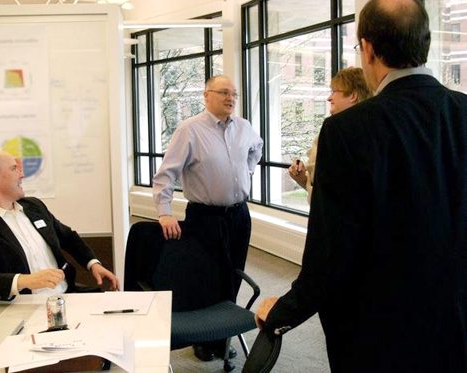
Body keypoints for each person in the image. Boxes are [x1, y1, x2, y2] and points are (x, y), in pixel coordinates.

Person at [255, 1, 467, 372]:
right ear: (427, 42)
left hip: (380, 338)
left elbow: (331, 255)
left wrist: (283, 312)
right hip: (457, 329)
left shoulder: (346, 132)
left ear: (368, 49)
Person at [152, 75, 263, 361]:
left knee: (233, 275)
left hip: (239, 215)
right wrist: (164, 213)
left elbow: (256, 148)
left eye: (234, 94)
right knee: (206, 277)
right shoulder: (189, 130)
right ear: (206, 95)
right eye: (224, 92)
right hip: (205, 216)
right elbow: (166, 175)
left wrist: (245, 171)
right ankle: (204, 338)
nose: (230, 98)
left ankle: (222, 334)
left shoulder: (244, 127)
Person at [0, 151, 119, 301]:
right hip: (20, 308)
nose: (22, 174)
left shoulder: (34, 206)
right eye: (14, 169)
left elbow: (67, 236)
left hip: (66, 296)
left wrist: (92, 263)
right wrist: (24, 281)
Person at [288, 67, 372, 204]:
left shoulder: (358, 135)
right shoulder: (332, 131)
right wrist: (302, 178)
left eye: (334, 91)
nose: (329, 98)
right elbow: (323, 190)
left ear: (353, 96)